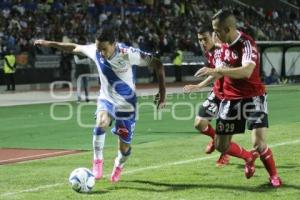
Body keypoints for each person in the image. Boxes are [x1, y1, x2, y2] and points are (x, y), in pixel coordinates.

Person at [34, 28, 166, 183]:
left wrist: (162, 92)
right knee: (101, 123)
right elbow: (73, 47)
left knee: (124, 149)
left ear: (114, 44)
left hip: (126, 105)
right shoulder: (95, 51)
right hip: (107, 99)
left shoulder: (128, 53)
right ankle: (97, 162)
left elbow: (158, 64)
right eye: (99, 49)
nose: (101, 53)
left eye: (104, 49)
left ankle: (118, 164)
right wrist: (49, 43)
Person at [196, 9, 282, 187]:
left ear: (227, 29)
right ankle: (249, 158)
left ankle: (274, 176)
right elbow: (219, 71)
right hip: (230, 100)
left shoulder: (246, 44)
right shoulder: (222, 44)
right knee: (221, 145)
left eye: (217, 30)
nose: (214, 34)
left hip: (253, 97)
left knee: (258, 143)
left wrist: (217, 70)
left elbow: (246, 71)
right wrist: (203, 82)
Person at [183, 26, 230, 167]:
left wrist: (200, 84)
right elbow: (214, 74)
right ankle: (216, 139)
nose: (202, 42)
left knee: (225, 131)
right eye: (200, 40)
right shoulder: (209, 53)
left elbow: (219, 72)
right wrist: (198, 86)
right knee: (199, 123)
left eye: (205, 39)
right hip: (217, 92)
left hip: (231, 96)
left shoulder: (225, 50)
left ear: (214, 36)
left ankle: (225, 154)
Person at [74, 37, 92, 102]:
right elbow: (77, 61)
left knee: (86, 85)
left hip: (86, 71)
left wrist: (83, 61)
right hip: (79, 71)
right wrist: (85, 60)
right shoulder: (76, 52)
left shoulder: (87, 52)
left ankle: (87, 98)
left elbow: (89, 61)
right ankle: (79, 98)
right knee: (79, 85)